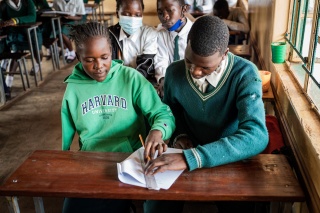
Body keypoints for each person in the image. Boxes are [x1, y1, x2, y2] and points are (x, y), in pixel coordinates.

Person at [144, 16, 268, 213]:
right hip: (186, 153)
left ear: (225, 54)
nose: (195, 72)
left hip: (229, 156)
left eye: (205, 67)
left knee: (241, 204)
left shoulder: (245, 74)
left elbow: (256, 136)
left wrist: (191, 158)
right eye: (189, 61)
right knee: (156, 202)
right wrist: (179, 136)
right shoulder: (174, 72)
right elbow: (172, 113)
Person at [61, 21, 175, 213]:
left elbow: (162, 114)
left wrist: (157, 131)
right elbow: (65, 142)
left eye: (104, 57)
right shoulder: (73, 88)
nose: (99, 66)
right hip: (91, 159)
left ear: (112, 52)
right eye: (89, 59)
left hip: (129, 158)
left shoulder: (131, 78)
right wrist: (65, 164)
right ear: (79, 57)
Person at [108, 0, 158, 83]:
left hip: (141, 82)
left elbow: (146, 66)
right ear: (117, 13)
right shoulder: (109, 35)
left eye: (137, 15)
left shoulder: (149, 34)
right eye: (127, 14)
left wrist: (131, 82)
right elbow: (110, 66)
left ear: (142, 14)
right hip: (116, 82)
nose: (132, 19)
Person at [0, 0, 42, 93]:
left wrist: (15, 20)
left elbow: (32, 17)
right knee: (16, 52)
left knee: (37, 52)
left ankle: (38, 63)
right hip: (15, 33)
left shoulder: (28, 2)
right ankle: (8, 83)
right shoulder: (4, 4)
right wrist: (2, 22)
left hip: (31, 32)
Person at [155, 0, 193, 97]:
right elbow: (161, 59)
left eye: (170, 11)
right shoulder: (160, 33)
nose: (165, 17)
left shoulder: (195, 32)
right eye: (160, 13)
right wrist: (163, 79)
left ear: (184, 9)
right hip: (171, 82)